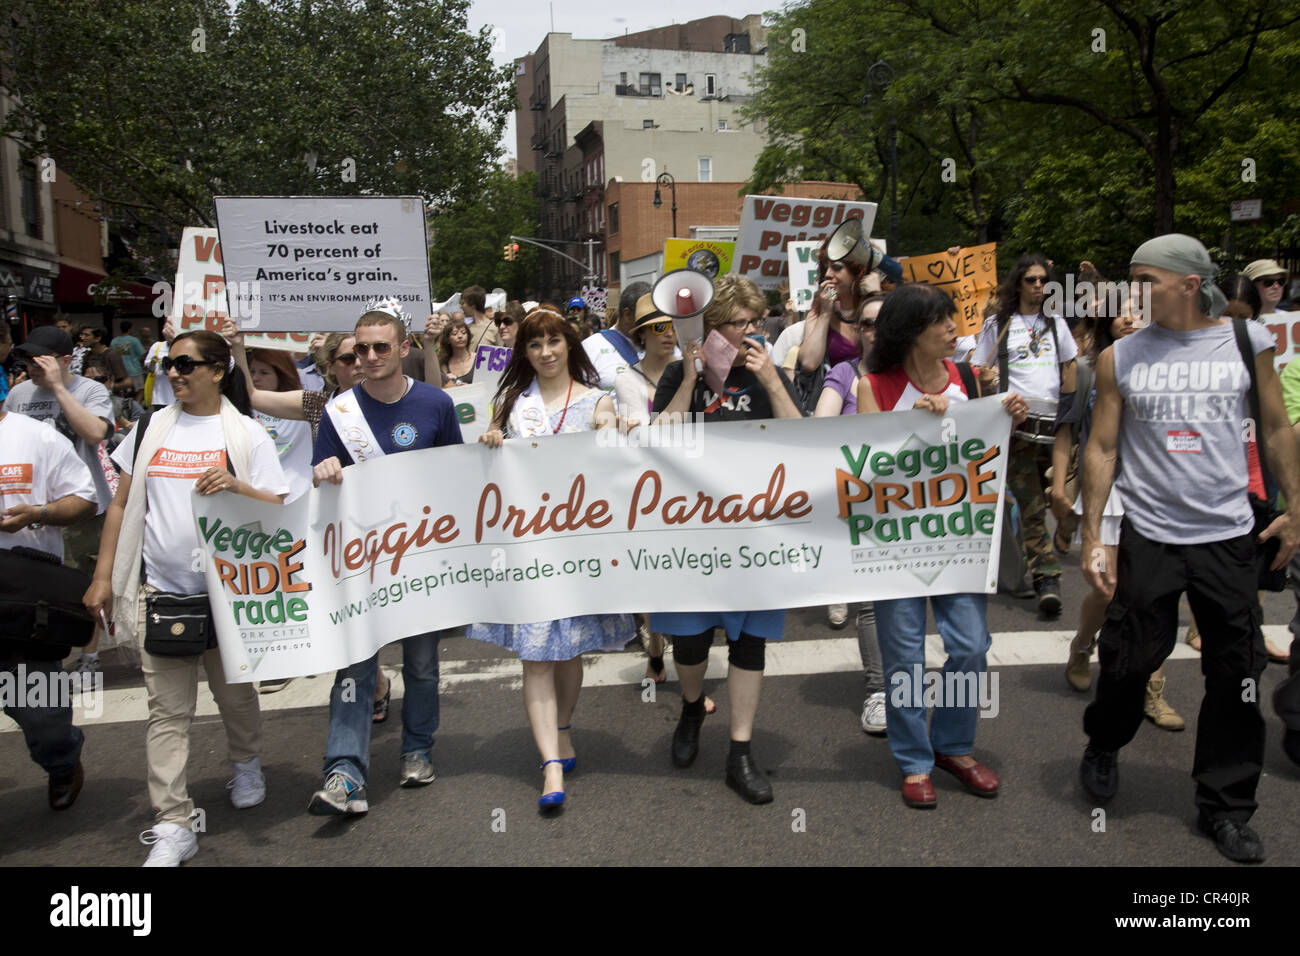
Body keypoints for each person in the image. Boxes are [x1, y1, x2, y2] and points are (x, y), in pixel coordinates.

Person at [1078, 234, 1300, 864]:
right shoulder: (1120, 357)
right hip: (1150, 535)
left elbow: (1278, 426)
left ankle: (1226, 807)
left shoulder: (1244, 342)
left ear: (1185, 282)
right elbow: (1101, 447)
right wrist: (1096, 535)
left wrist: (1295, 510)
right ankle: (1103, 743)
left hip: (1228, 536)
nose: (1134, 290)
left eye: (1144, 277)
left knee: (1237, 676)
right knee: (1126, 662)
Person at [84, 329, 289, 865]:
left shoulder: (247, 434)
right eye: (169, 364)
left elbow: (277, 508)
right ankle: (173, 822)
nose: (173, 373)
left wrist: (236, 485)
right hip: (163, 596)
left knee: (235, 697)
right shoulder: (151, 428)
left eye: (185, 364)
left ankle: (246, 763)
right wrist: (103, 577)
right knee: (167, 713)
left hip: (229, 599)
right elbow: (122, 504)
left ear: (218, 371)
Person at [856, 284, 1027, 808]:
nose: (955, 330)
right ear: (912, 332)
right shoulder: (874, 386)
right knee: (905, 657)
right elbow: (865, 468)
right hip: (897, 542)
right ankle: (914, 760)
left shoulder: (967, 378)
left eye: (953, 322)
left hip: (957, 537)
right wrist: (913, 424)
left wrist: (1006, 419)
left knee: (971, 646)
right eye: (943, 322)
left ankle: (953, 744)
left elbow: (979, 456)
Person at [651, 275, 803, 805]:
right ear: (714, 330)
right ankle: (692, 706)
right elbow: (660, 436)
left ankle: (740, 752)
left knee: (748, 642)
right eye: (742, 323)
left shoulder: (769, 375)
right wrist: (692, 379)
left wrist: (775, 383)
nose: (753, 331)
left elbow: (804, 441)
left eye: (757, 322)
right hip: (692, 535)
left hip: (753, 533)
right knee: (690, 642)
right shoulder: (677, 373)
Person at [308, 298, 463, 816]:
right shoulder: (338, 412)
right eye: (362, 349)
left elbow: (456, 477)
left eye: (380, 347)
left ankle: (417, 749)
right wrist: (325, 470)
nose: (370, 356)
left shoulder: (435, 405)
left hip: (420, 557)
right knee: (355, 666)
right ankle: (343, 770)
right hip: (362, 559)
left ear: (402, 348)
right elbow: (320, 476)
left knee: (421, 665)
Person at [473, 308, 632, 809]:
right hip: (530, 549)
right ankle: (549, 766)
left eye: (553, 342)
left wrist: (610, 424)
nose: (545, 352)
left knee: (569, 651)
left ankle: (563, 728)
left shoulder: (596, 401)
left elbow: (607, 427)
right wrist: (492, 439)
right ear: (525, 352)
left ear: (570, 345)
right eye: (535, 344)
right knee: (537, 656)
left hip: (580, 549)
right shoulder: (512, 407)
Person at [1057, 305, 1184, 729]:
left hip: (1159, 492)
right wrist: (1061, 487)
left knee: (1157, 596)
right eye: (1122, 313)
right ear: (1109, 321)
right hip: (1108, 492)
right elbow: (1069, 429)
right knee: (1109, 589)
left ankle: (1152, 686)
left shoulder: (1174, 368)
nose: (1130, 318)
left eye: (1140, 311)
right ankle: (1082, 644)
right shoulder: (1093, 369)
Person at [1, 405, 97, 810]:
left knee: (42, 714)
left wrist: (39, 513)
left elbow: (86, 501)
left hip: (26, 603)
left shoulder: (37, 437)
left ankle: (62, 762)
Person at [5, 326, 117, 676]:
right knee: (42, 583)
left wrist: (57, 387)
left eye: (41, 358)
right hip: (29, 510)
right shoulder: (19, 393)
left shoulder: (90, 390)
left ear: (66, 360)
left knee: (88, 582)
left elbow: (96, 433)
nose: (32, 364)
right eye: (27, 357)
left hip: (82, 505)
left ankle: (90, 653)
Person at [972, 254, 1078, 617]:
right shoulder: (997, 325)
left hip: (1056, 429)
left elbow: (1070, 369)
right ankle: (1047, 578)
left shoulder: (1057, 324)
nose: (1037, 285)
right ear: (1018, 283)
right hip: (1017, 427)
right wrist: (988, 386)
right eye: (1031, 279)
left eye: (1042, 279)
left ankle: (1065, 526)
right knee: (1032, 507)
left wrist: (1070, 414)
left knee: (1064, 499)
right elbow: (979, 370)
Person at [814, 294, 887, 732]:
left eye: (883, 323)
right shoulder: (843, 373)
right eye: (867, 323)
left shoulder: (913, 375)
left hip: (910, 503)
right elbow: (822, 421)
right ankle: (879, 690)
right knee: (874, 600)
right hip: (861, 499)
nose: (874, 331)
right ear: (857, 330)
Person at [582, 281, 651, 391]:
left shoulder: (663, 344)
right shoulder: (590, 347)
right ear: (627, 314)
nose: (652, 321)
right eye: (646, 316)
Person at [461, 285, 503, 351]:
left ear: (472, 305)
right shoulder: (464, 329)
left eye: (463, 303)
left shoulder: (495, 328)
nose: (461, 306)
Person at [438, 319, 475, 387]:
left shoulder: (478, 358)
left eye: (463, 333)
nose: (460, 336)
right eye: (454, 334)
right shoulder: (443, 364)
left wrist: (470, 387)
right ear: (448, 339)